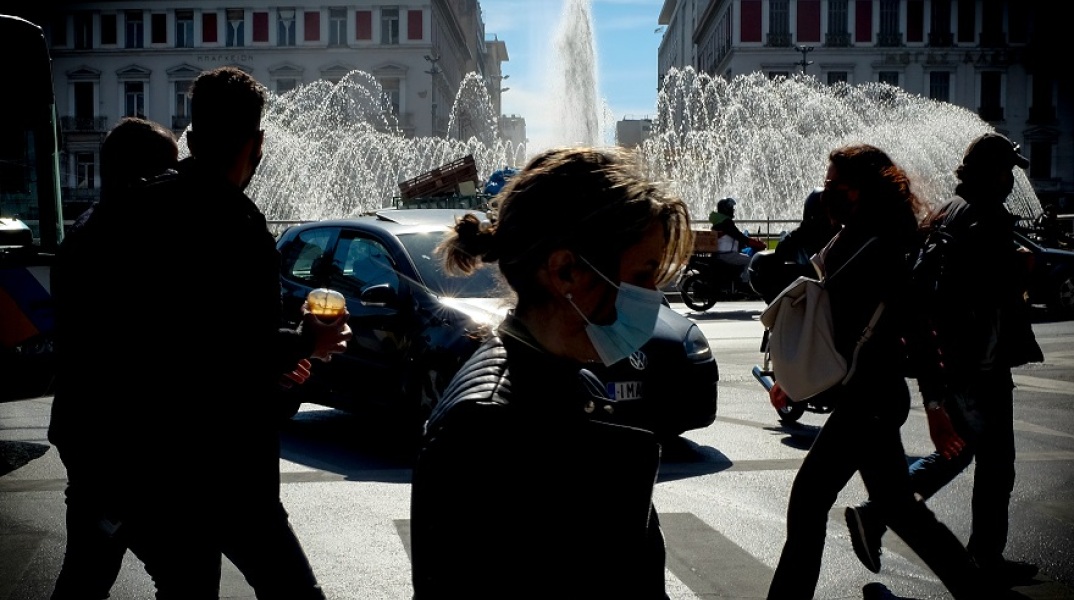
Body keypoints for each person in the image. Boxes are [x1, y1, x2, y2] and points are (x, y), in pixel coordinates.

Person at [52, 67, 351, 599]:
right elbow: (232, 357)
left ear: (190, 137)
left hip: (137, 458)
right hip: (223, 468)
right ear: (257, 144)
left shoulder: (128, 210)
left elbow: (170, 337)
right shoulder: (237, 224)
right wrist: (306, 344)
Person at [410, 146, 694, 598]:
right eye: (643, 275)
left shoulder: (564, 381)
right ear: (565, 272)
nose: (654, 297)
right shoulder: (489, 428)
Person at [766, 144, 990, 600]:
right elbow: (835, 329)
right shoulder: (853, 234)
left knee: (809, 501)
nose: (826, 193)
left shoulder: (888, 244)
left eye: (836, 186)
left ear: (864, 188)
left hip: (872, 398)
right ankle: (978, 592)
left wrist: (935, 405)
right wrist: (795, 385)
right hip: (867, 397)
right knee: (901, 511)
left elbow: (918, 327)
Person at [844, 132, 1044, 588]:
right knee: (991, 462)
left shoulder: (948, 210)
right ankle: (886, 518)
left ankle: (972, 550)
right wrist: (1021, 268)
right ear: (992, 173)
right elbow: (985, 286)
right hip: (981, 360)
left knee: (965, 451)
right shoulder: (983, 217)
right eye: (1007, 171)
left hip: (956, 356)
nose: (1012, 180)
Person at [48, 117, 180, 599]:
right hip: (123, 444)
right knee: (180, 573)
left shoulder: (91, 230)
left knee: (87, 571)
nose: (176, 181)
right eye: (168, 172)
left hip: (92, 437)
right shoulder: (123, 240)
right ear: (141, 177)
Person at [708, 196, 766, 282]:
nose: (733, 210)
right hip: (726, 255)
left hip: (722, 254)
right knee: (750, 261)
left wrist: (747, 241)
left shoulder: (720, 221)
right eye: (731, 208)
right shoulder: (726, 223)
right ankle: (746, 284)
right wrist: (756, 243)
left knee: (745, 256)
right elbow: (739, 236)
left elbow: (735, 237)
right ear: (726, 210)